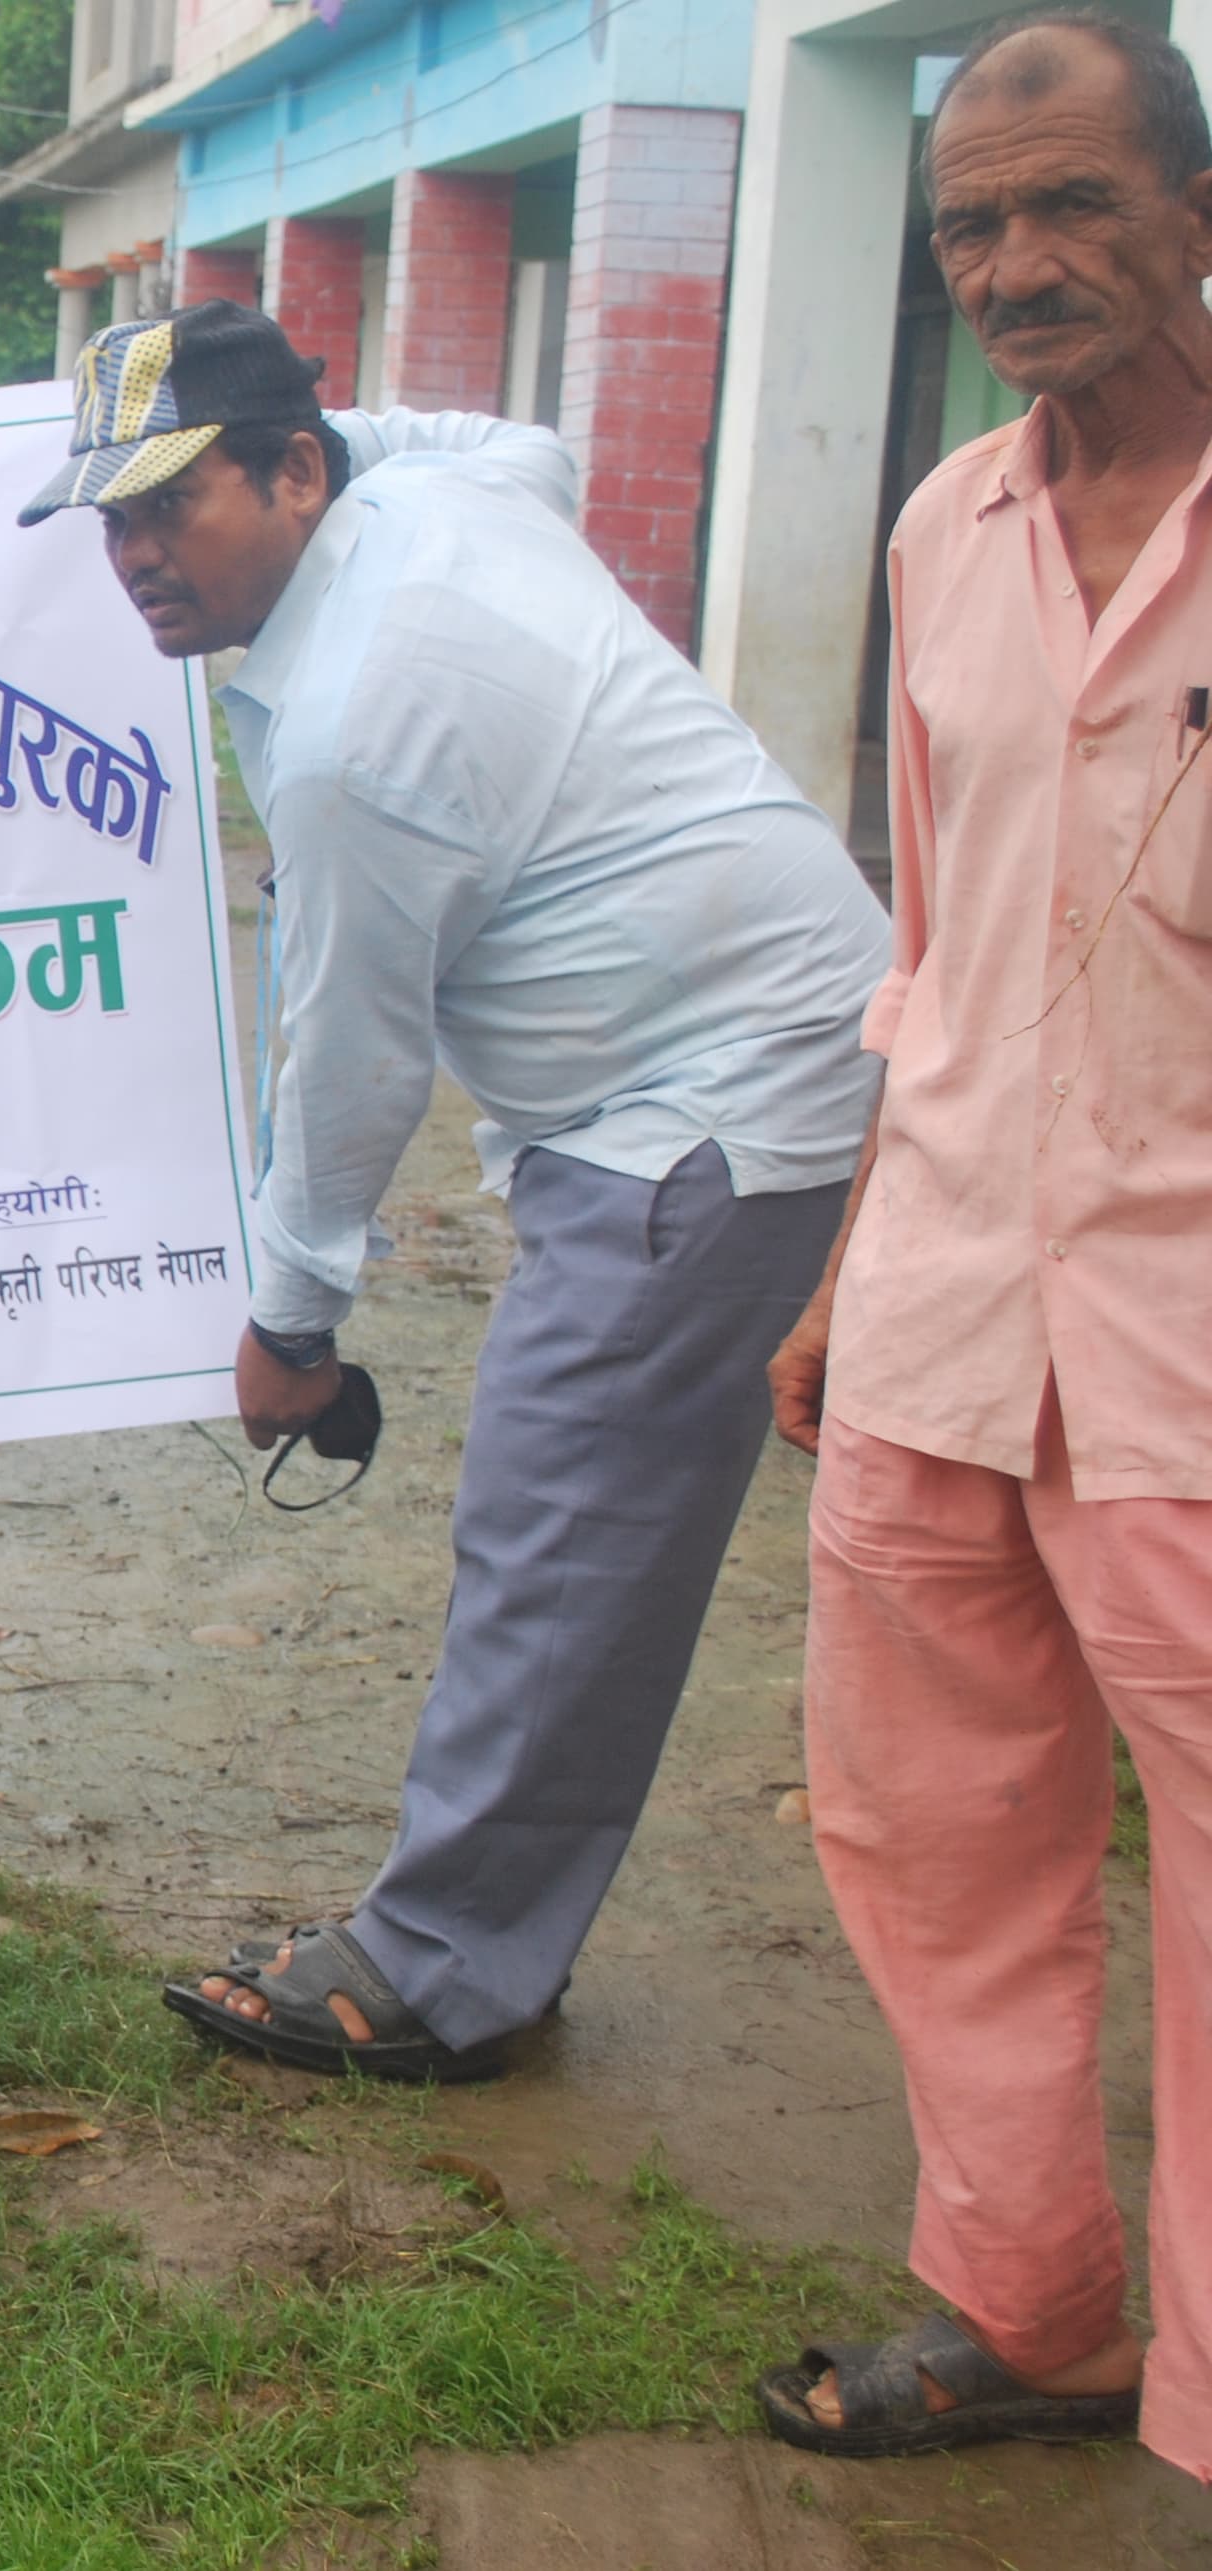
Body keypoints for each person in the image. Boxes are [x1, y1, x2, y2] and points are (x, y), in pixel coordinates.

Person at [21, 302, 891, 2081]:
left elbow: (342, 1062)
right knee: (571, 1519)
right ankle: (480, 1938)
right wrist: (334, 436)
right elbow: (524, 445)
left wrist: (290, 1326)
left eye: (172, 506)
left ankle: (440, 1967)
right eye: (108, 522)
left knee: (560, 1530)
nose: (134, 559)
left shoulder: (352, 723)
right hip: (761, 1039)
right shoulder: (449, 497)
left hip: (705, 1107)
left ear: (292, 476)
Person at [754, 10, 1212, 2469]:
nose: (1018, 266)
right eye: (970, 228)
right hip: (939, 1307)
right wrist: (842, 1276)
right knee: (928, 1839)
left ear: (1193, 215)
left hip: (1186, 1357)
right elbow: (923, 948)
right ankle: (1031, 2306)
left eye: (1070, 207)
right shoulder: (944, 526)